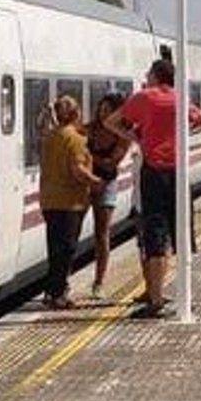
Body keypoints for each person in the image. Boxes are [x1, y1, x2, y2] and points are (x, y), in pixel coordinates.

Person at [107, 59, 201, 319]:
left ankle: (156, 299)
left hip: (153, 170)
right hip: (179, 172)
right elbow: (200, 119)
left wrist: (137, 137)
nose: (146, 76)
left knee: (155, 236)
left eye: (148, 73)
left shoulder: (144, 98)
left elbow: (111, 122)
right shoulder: (180, 97)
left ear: (156, 76)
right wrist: (180, 135)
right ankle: (185, 295)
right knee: (181, 233)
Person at [38, 95, 102, 309]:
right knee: (67, 249)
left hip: (49, 200)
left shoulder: (50, 136)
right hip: (70, 202)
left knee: (54, 248)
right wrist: (95, 181)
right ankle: (58, 294)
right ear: (76, 114)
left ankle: (51, 291)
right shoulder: (76, 139)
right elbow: (77, 169)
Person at [86, 92, 131, 298]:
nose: (103, 113)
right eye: (101, 109)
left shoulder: (122, 135)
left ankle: (99, 282)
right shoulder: (90, 128)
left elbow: (110, 162)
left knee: (101, 233)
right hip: (85, 183)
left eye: (108, 110)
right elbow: (68, 136)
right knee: (74, 229)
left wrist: (86, 155)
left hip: (107, 184)